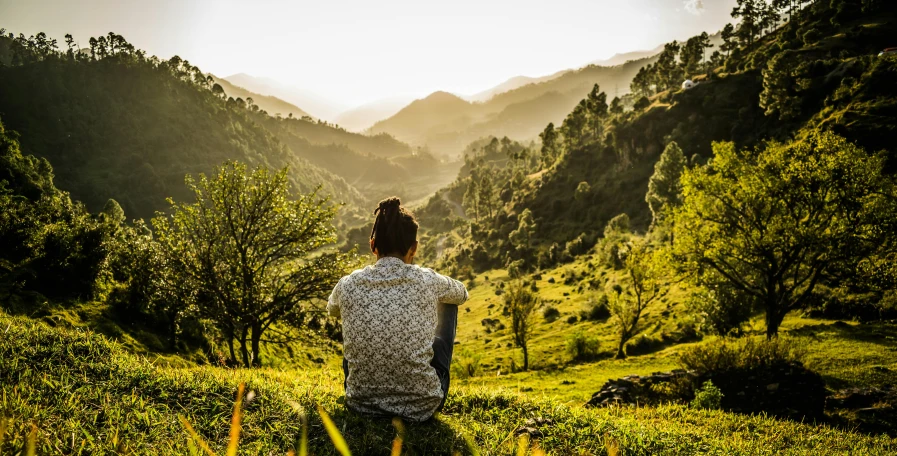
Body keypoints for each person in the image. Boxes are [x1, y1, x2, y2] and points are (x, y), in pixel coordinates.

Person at [327, 197, 468, 422]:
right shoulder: (427, 280)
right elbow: (462, 293)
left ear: (373, 245)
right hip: (422, 408)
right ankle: (422, 380)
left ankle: (367, 386)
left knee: (350, 312)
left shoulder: (347, 284)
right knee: (450, 301)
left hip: (360, 403)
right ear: (414, 248)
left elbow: (332, 310)